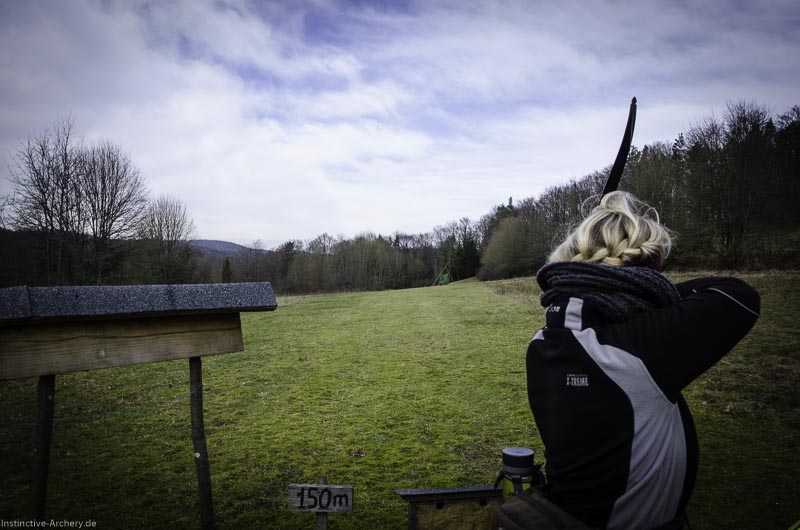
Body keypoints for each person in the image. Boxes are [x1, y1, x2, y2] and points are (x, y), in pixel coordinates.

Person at [525, 191, 760, 529]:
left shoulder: (543, 342)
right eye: (657, 268)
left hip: (566, 515)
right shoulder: (638, 348)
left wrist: (610, 286)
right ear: (645, 272)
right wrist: (648, 292)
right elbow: (738, 296)